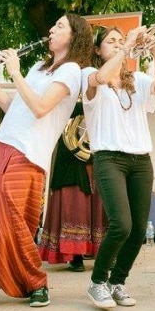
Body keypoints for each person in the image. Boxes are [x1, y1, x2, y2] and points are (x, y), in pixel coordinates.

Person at [0, 14, 94, 311]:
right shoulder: (39, 67)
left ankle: (35, 284)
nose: (51, 29)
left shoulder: (72, 71)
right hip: (0, 143)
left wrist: (15, 73)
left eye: (60, 26)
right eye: (53, 25)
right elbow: (14, 107)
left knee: (10, 223)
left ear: (75, 36)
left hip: (28, 153)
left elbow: (39, 108)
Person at [82, 25, 155, 309]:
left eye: (121, 41)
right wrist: (129, 44)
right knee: (121, 224)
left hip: (141, 159)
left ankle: (117, 282)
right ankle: (97, 282)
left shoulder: (138, 79)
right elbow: (105, 74)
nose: (118, 44)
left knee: (139, 227)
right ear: (98, 50)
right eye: (111, 41)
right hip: (109, 158)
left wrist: (154, 49)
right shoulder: (90, 77)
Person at [36, 108, 106, 272]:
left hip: (96, 156)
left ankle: (98, 251)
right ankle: (74, 254)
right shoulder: (68, 98)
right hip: (70, 158)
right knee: (75, 207)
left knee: (99, 207)